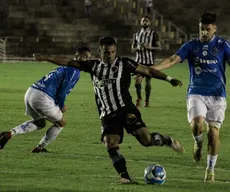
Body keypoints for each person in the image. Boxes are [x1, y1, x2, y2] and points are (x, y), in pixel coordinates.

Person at [33, 36, 184, 184]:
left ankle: (166, 140)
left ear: (115, 51)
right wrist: (46, 57)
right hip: (108, 113)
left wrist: (169, 79)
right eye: (106, 52)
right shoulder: (93, 66)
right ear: (100, 52)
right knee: (110, 143)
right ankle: (125, 176)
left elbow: (148, 71)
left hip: (127, 110)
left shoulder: (125, 63)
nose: (110, 55)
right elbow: (68, 61)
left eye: (112, 52)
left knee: (147, 140)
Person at [152, 12, 230, 182]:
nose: (204, 33)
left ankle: (210, 170)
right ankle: (198, 142)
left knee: (214, 134)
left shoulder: (223, 45)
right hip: (196, 92)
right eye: (202, 29)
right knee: (197, 126)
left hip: (218, 95)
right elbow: (172, 59)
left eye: (208, 29)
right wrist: (150, 70)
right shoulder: (191, 46)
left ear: (214, 28)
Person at [0, 47, 91, 153]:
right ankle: (39, 148)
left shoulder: (65, 67)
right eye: (84, 56)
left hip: (31, 92)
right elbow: (62, 92)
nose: (86, 60)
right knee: (61, 123)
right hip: (42, 97)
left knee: (40, 123)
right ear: (76, 56)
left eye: (88, 58)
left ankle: (9, 134)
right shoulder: (74, 71)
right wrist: (61, 106)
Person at [131, 15, 161, 107]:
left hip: (149, 62)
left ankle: (147, 100)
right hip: (139, 62)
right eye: (143, 21)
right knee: (137, 82)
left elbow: (159, 47)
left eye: (146, 21)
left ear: (149, 23)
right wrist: (137, 48)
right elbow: (132, 48)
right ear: (141, 22)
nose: (144, 22)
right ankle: (139, 97)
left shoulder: (153, 34)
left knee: (148, 82)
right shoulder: (136, 34)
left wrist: (149, 47)